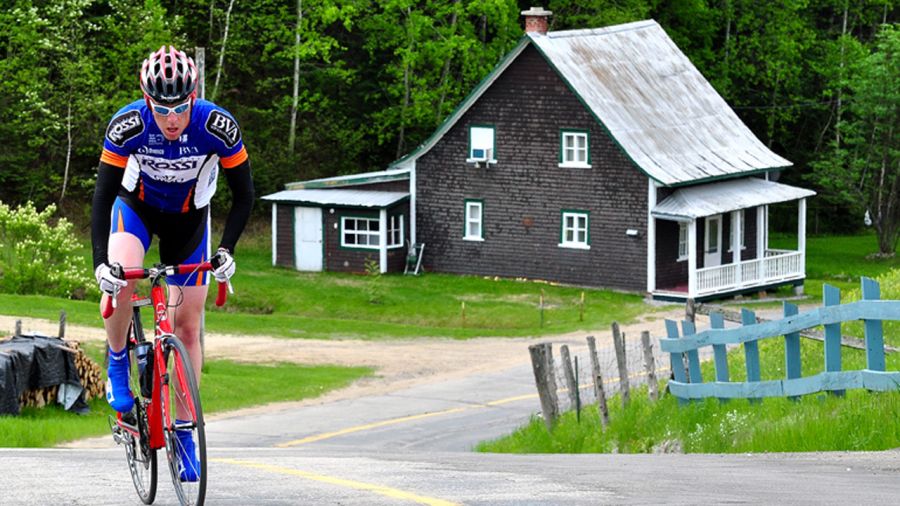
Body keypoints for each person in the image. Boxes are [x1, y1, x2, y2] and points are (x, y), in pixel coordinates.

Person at [91, 45, 254, 480]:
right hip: (136, 210)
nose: (171, 118)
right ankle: (117, 357)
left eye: (180, 107)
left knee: (187, 324)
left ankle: (184, 433)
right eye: (161, 109)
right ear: (146, 100)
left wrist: (228, 251)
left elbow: (244, 195)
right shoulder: (127, 126)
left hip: (189, 220)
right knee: (122, 274)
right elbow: (103, 195)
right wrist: (99, 264)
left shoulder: (217, 126)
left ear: (194, 95)